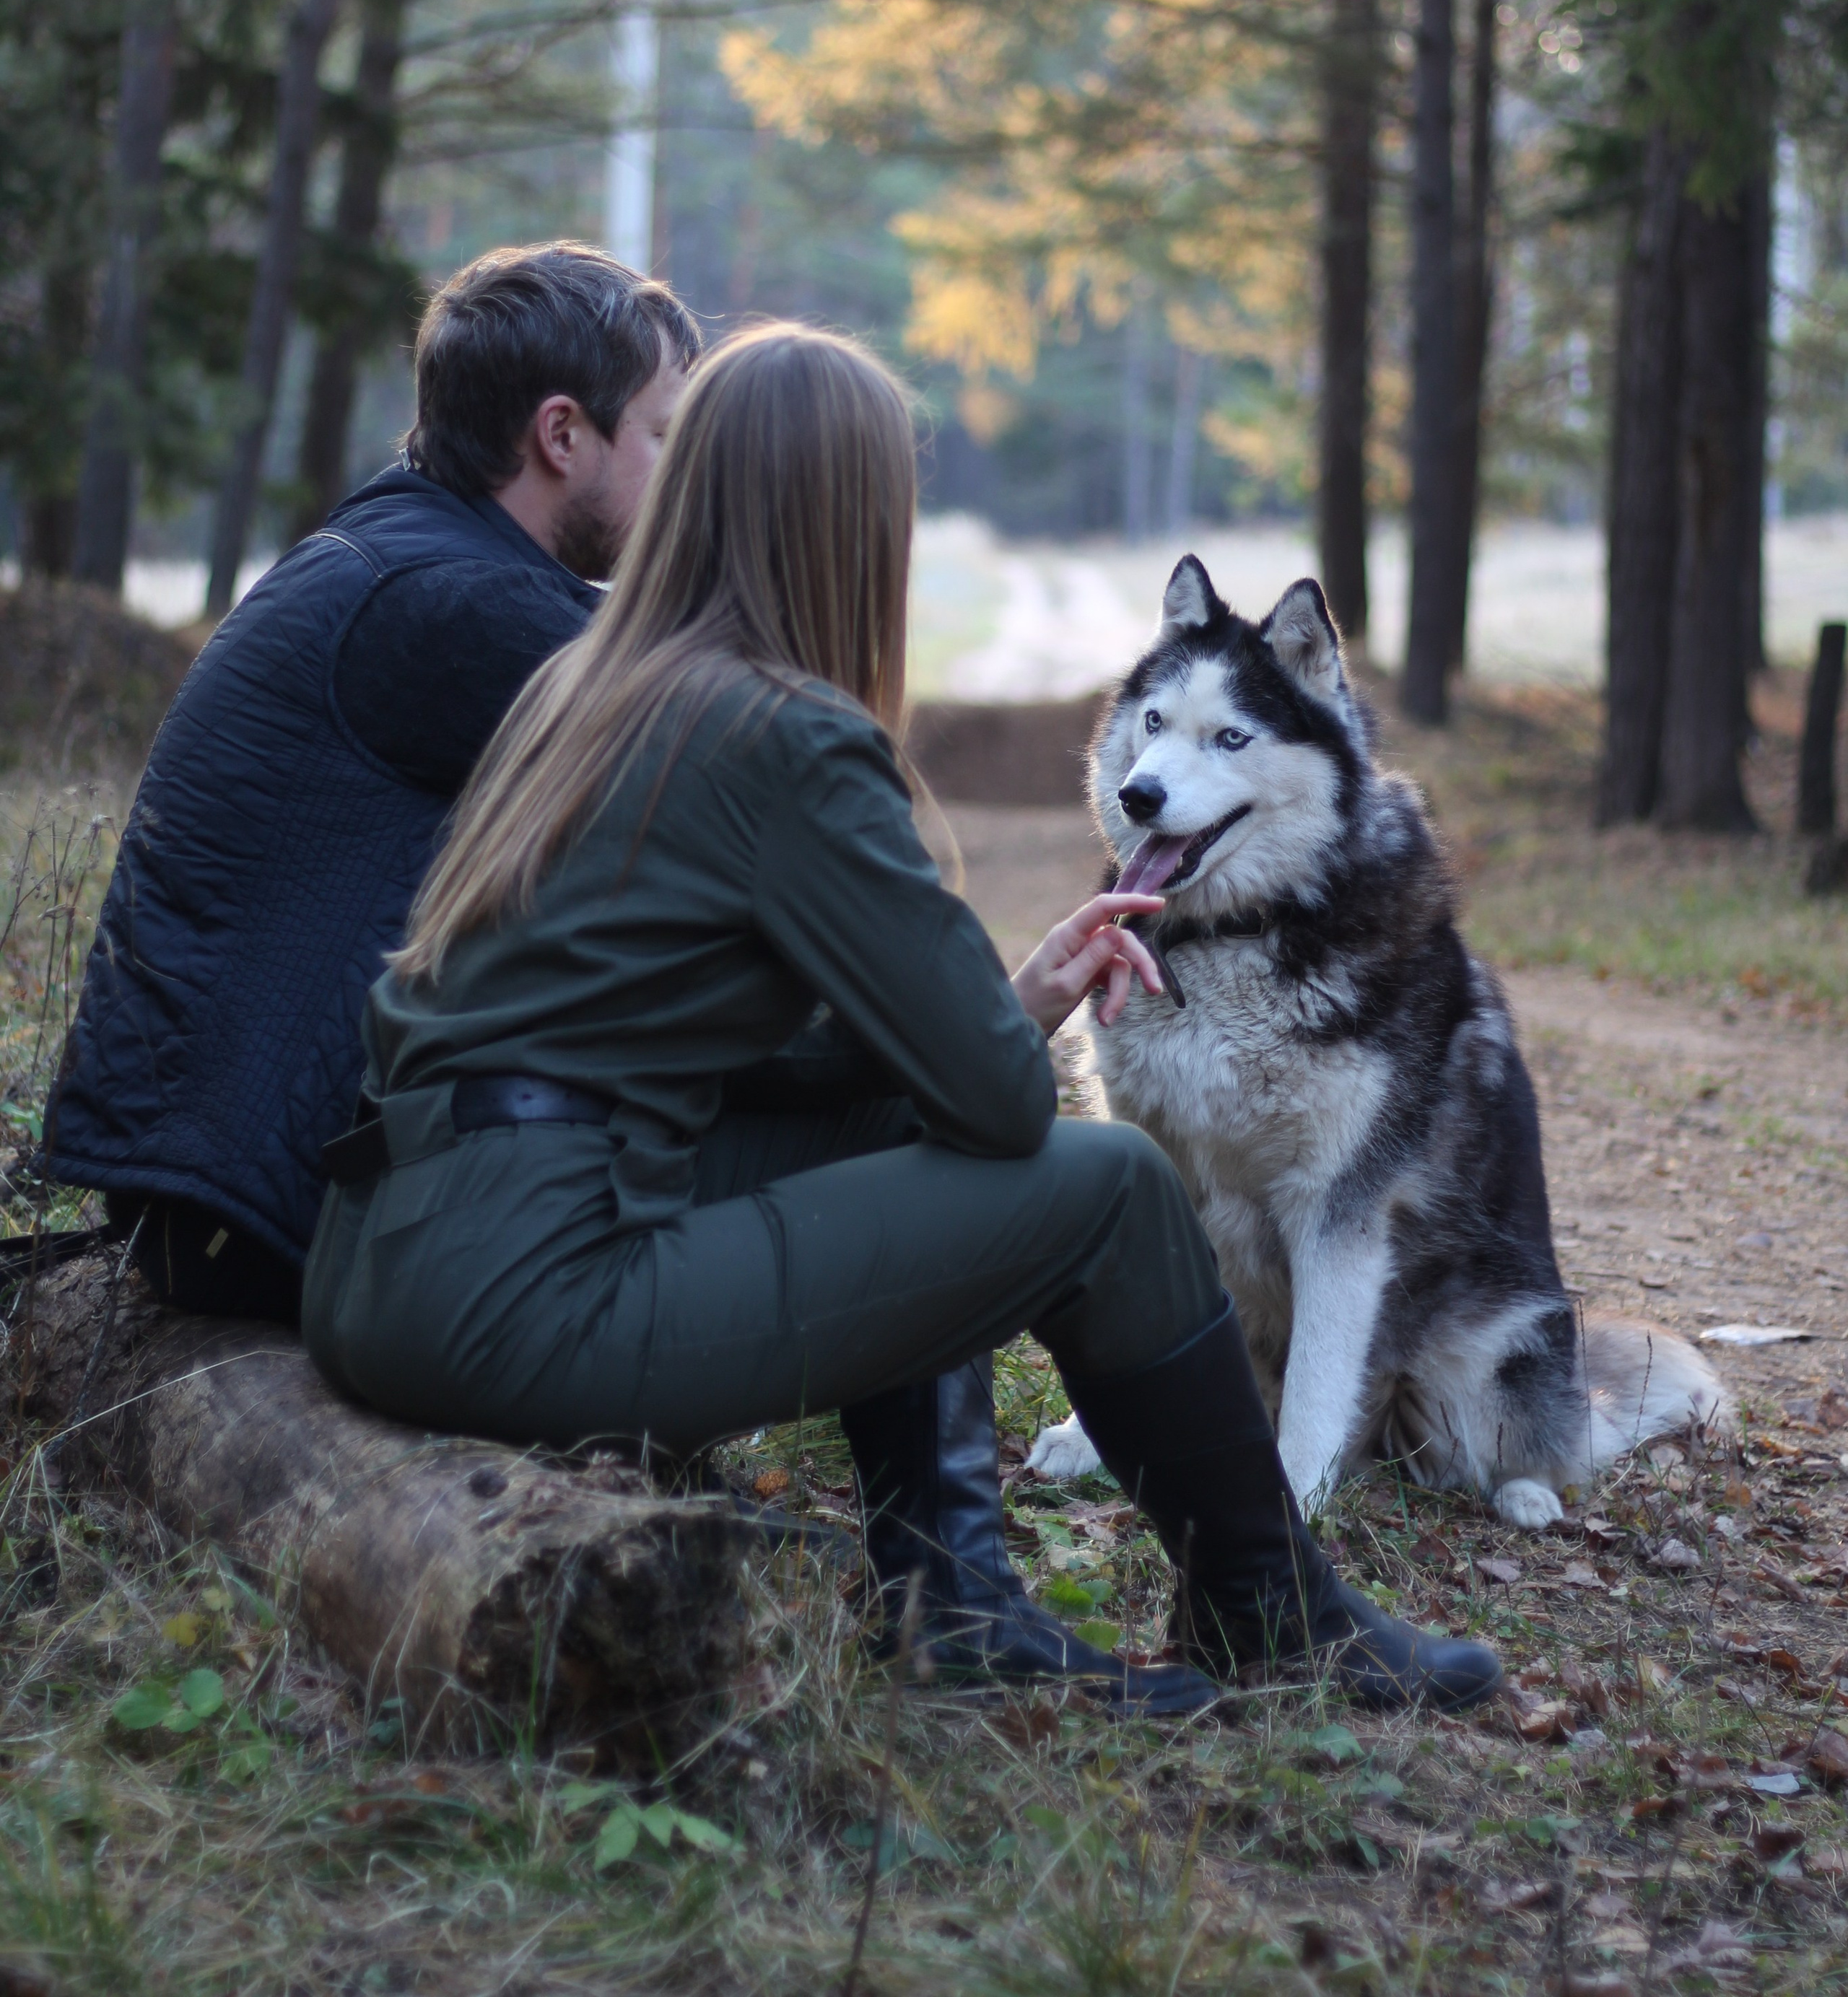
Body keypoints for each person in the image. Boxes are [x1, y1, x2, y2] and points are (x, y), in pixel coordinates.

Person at [305, 323, 1502, 1719]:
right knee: (1107, 1183)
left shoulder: (588, 685)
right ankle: (1273, 1614)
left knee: (886, 1107)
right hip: (530, 1295)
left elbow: (736, 1049)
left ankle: (956, 1603)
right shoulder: (790, 735)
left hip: (387, 1257)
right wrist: (998, 1031)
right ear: (853, 522)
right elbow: (999, 1110)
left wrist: (1007, 1007)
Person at [45, 242, 697, 1323]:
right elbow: (742, 781)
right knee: (858, 1106)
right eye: (669, 437)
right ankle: (913, 1499)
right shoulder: (456, 606)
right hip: (264, 1215)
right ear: (563, 434)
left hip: (224, 1189)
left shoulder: (410, 554)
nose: (685, 479)